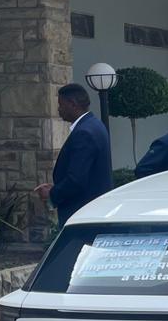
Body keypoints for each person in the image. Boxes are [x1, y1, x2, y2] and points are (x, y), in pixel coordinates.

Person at [34, 83, 112, 223]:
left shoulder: (84, 133)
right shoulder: (96, 125)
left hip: (82, 212)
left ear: (72, 104)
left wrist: (52, 193)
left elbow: (77, 180)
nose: (59, 110)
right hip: (93, 208)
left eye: (61, 105)